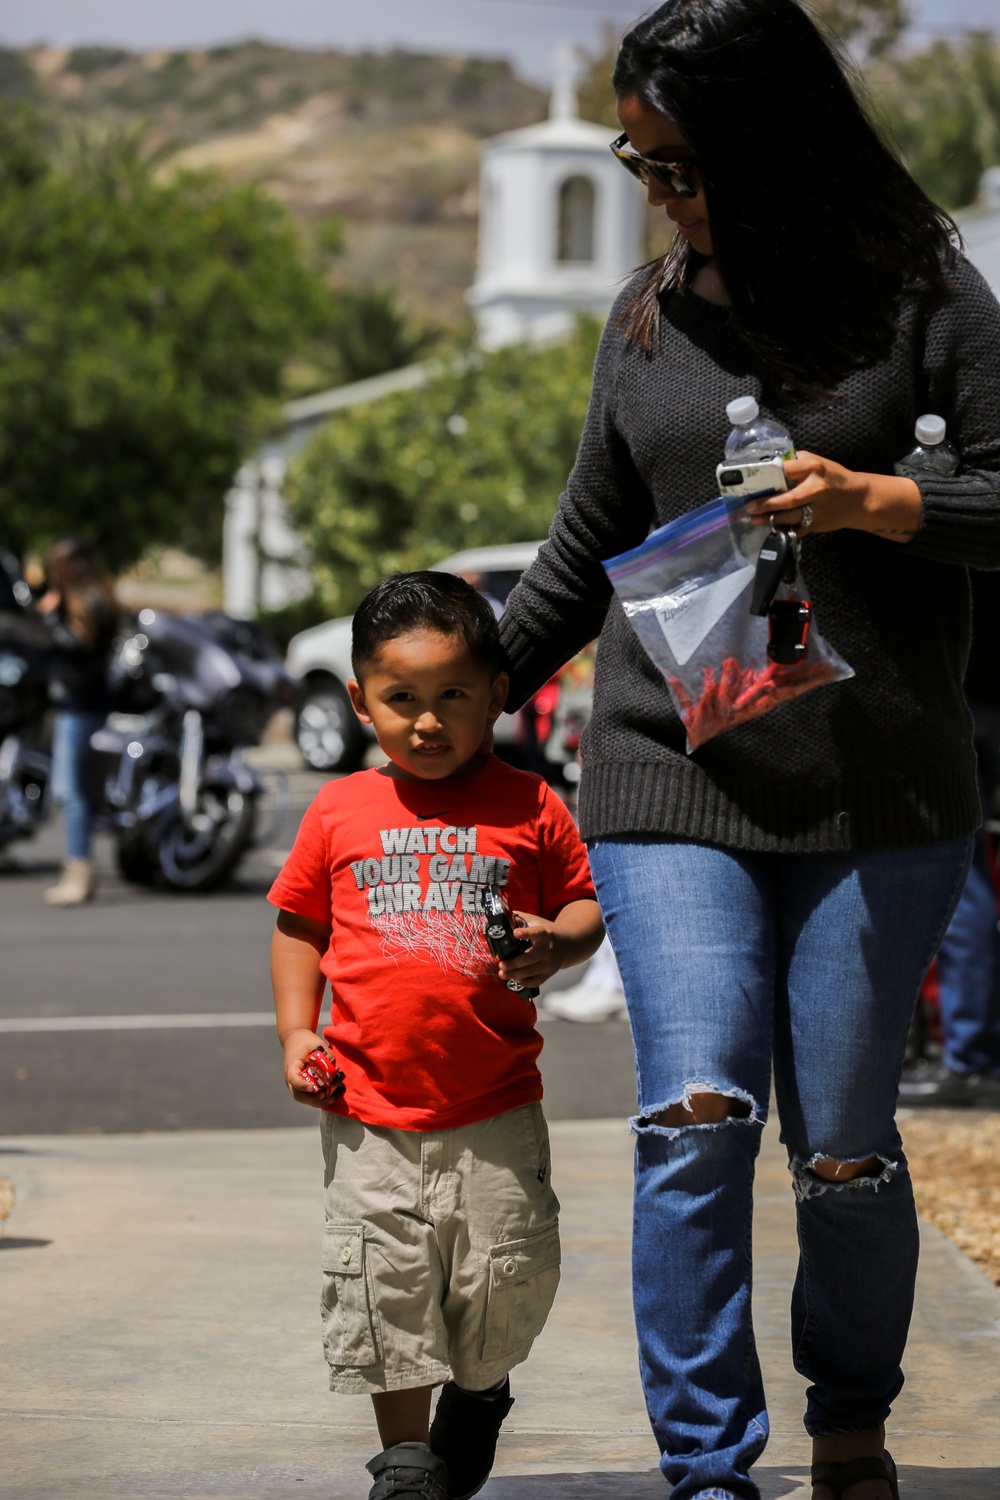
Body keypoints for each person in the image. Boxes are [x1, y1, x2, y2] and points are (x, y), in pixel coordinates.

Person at [496, 3, 1000, 1497]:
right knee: (696, 1112)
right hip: (675, 768)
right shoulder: (647, 313)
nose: (660, 195)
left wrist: (878, 505)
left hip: (879, 782)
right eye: (637, 161)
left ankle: (850, 1417)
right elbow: (588, 546)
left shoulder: (923, 293)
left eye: (681, 165)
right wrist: (447, 688)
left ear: (772, 150)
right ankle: (708, 1472)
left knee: (841, 1144)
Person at [267, 572, 603, 1500]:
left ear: (497, 693)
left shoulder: (531, 805)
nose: (427, 721)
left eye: (452, 695)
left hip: (494, 1106)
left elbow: (582, 904)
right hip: (369, 1109)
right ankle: (406, 1460)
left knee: (506, 1284)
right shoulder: (338, 811)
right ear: (359, 702)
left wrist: (557, 943)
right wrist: (299, 1034)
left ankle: (482, 1393)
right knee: (386, 1292)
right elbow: (299, 926)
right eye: (400, 699)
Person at [900, 571, 1000, 1106]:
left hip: (963, 694)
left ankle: (971, 1053)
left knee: (965, 880)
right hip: (976, 694)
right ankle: (972, 1046)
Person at [38, 538, 119, 906]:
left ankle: (78, 871)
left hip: (81, 705)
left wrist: (49, 617)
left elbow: (75, 646)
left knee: (73, 792)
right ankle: (79, 866)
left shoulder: (84, 601)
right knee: (74, 789)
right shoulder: (100, 595)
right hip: (88, 703)